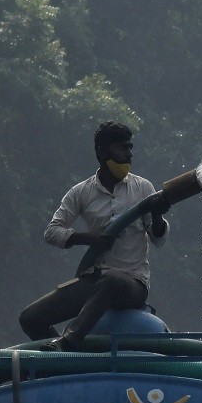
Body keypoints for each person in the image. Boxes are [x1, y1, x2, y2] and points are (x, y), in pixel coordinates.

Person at [19, 121, 171, 350]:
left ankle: (69, 341)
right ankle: (67, 360)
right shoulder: (82, 192)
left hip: (132, 282)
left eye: (130, 148)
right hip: (95, 278)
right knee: (30, 318)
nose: (129, 155)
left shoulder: (143, 188)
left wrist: (158, 216)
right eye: (122, 148)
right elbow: (52, 231)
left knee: (111, 281)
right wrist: (87, 237)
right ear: (102, 153)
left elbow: (158, 239)